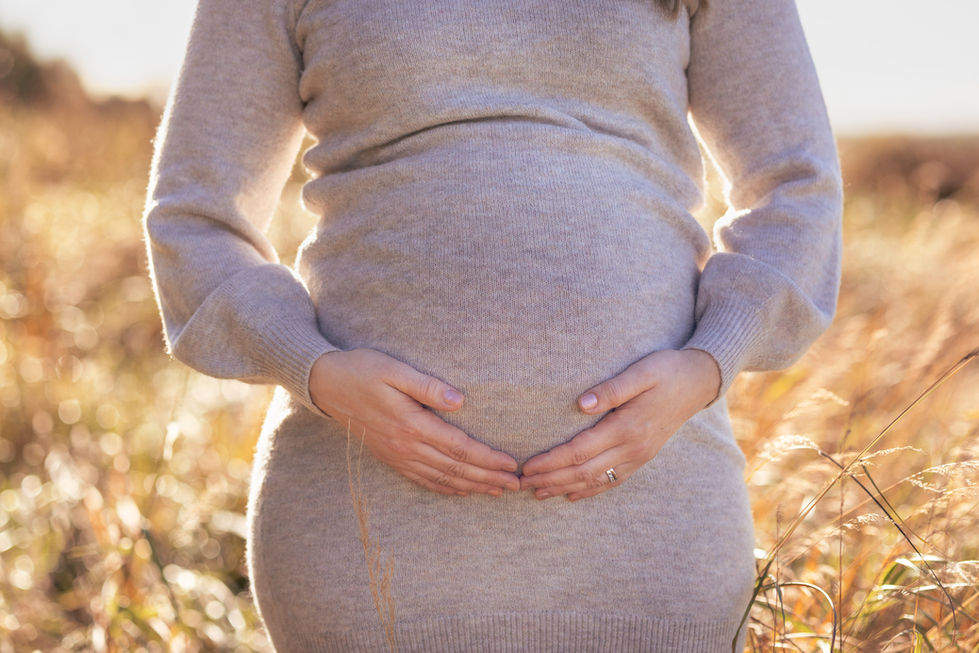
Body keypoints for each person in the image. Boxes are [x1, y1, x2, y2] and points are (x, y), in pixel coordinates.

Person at [142, 0, 842, 650]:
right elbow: (195, 217)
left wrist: (704, 366)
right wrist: (316, 371)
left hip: (650, 527)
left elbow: (796, 186)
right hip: (360, 530)